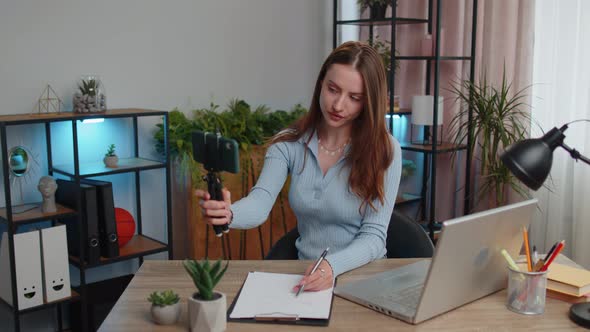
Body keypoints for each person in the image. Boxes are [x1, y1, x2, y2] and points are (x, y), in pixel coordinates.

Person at [195, 41, 402, 292]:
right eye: (333, 89)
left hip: (364, 279)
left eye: (354, 98)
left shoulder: (385, 150)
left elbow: (374, 236)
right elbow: (261, 201)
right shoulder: (289, 143)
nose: (338, 105)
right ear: (320, 85)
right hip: (307, 275)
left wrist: (332, 266)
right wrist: (229, 214)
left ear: (369, 102)